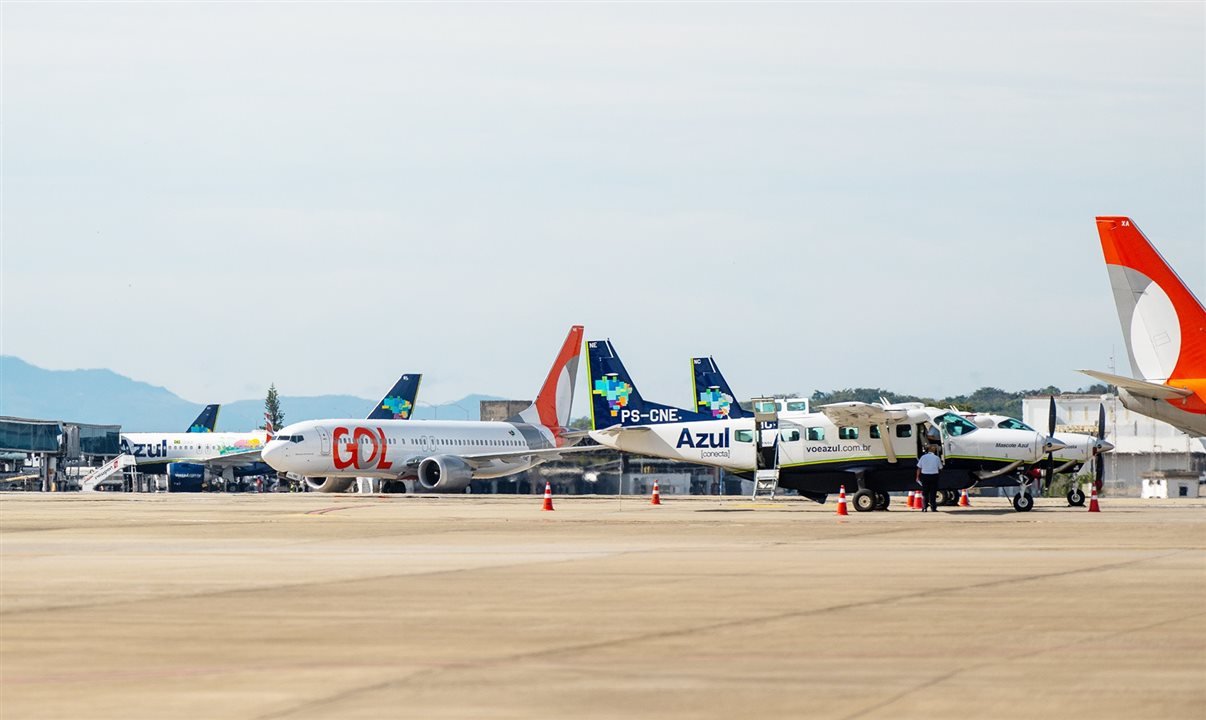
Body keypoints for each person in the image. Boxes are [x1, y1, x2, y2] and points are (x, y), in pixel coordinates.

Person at [916, 444, 943, 512]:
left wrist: (917, 477)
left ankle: (924, 507)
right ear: (934, 451)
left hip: (925, 476)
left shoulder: (923, 457)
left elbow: (919, 468)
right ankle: (933, 508)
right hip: (934, 476)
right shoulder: (937, 458)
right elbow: (940, 468)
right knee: (933, 492)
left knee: (925, 493)